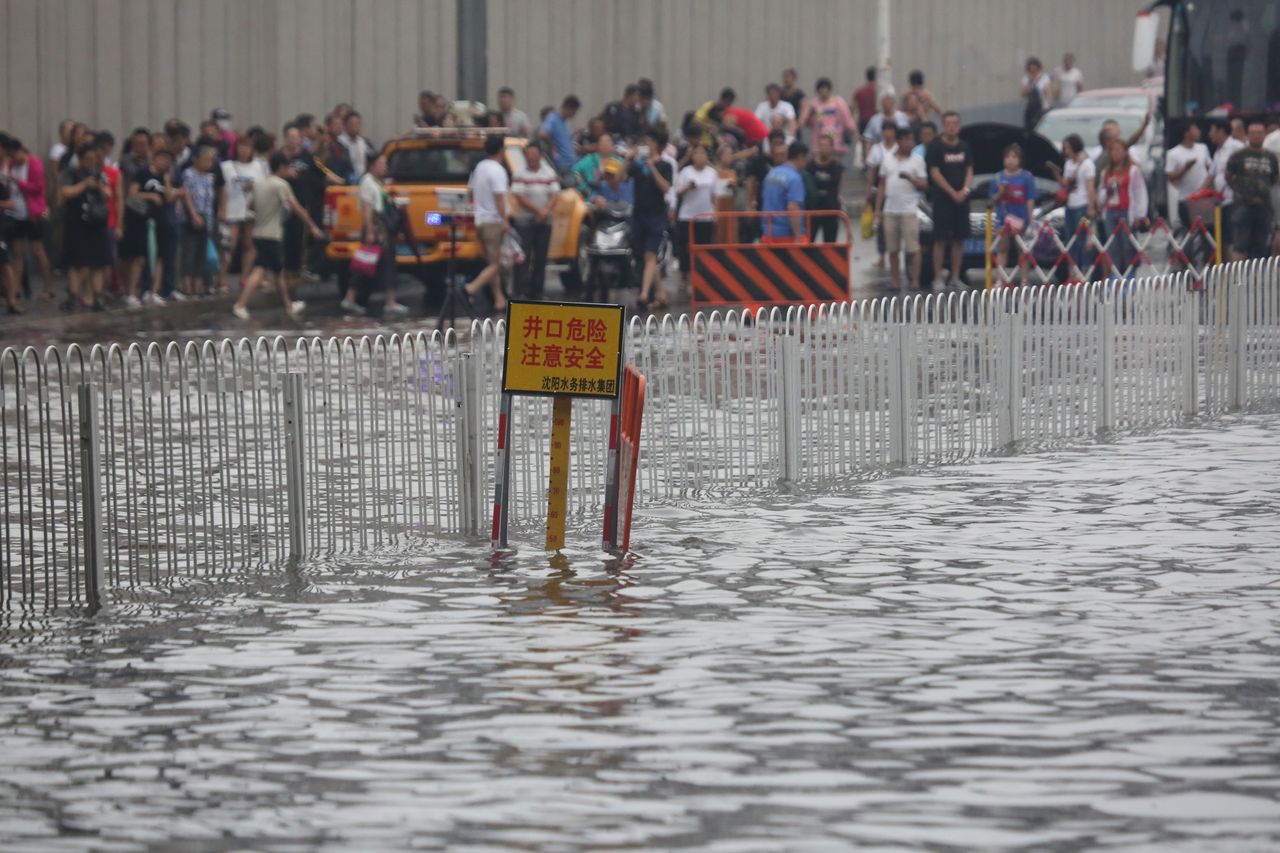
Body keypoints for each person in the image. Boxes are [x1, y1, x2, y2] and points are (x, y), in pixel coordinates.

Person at [232, 151, 324, 319]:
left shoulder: (259, 183)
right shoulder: (280, 185)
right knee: (260, 270)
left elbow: (251, 205)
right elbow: (297, 208)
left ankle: (289, 305)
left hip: (258, 232)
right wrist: (312, 227)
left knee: (278, 271)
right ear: (281, 167)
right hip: (271, 235)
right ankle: (240, 304)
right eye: (287, 167)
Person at [340, 152, 408, 317]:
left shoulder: (377, 183)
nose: (385, 166)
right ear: (372, 165)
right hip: (376, 230)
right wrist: (370, 231)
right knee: (368, 264)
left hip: (380, 229)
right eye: (381, 163)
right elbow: (368, 208)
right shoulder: (368, 183)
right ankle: (383, 301)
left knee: (377, 264)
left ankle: (357, 299)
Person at [460, 134, 511, 312]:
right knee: (496, 264)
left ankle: (499, 299)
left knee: (491, 261)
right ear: (501, 150)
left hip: (479, 220)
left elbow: (470, 192)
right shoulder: (498, 170)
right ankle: (471, 288)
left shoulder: (479, 168)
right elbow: (499, 198)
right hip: (493, 221)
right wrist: (505, 220)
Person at [59, 143, 112, 311]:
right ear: (80, 159)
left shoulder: (99, 174)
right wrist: (84, 185)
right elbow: (65, 192)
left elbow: (108, 194)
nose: (90, 162)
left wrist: (100, 186)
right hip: (77, 223)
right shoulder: (71, 173)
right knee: (77, 263)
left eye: (93, 159)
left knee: (97, 263)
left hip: (96, 223)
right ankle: (73, 297)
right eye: (87, 159)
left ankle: (98, 297)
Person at [876, 127, 929, 291]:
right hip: (890, 209)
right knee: (892, 249)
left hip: (909, 209)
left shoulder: (917, 160)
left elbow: (924, 184)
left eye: (912, 140)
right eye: (907, 140)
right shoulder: (887, 159)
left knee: (913, 247)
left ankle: (915, 280)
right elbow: (882, 185)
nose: (910, 143)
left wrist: (911, 178)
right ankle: (895, 280)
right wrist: (878, 209)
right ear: (899, 141)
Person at [2, 137, 54, 301]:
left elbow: (37, 188)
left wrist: (19, 182)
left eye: (16, 155)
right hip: (17, 213)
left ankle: (48, 287)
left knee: (38, 250)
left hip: (33, 212)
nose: (14, 159)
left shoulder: (34, 163)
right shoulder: (11, 165)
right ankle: (15, 289)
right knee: (18, 252)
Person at [926, 111, 974, 291]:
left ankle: (955, 276)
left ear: (959, 126)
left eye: (955, 124)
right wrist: (951, 192)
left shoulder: (965, 147)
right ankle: (938, 277)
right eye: (948, 124)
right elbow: (934, 172)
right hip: (942, 201)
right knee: (940, 240)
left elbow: (969, 169)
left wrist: (965, 190)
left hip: (962, 201)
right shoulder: (935, 147)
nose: (952, 127)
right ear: (943, 126)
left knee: (958, 239)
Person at [628, 128, 673, 310]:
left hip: (656, 215)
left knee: (650, 255)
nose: (646, 147)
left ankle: (644, 294)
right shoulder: (637, 166)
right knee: (645, 257)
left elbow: (665, 187)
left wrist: (652, 166)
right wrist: (628, 159)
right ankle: (661, 293)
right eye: (643, 144)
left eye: (649, 143)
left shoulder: (665, 165)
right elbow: (619, 178)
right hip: (638, 215)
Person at [1225, 122, 1280, 262]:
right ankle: (1236, 279)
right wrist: (1239, 190)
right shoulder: (1239, 155)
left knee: (1260, 246)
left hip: (1264, 206)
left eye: (1260, 133)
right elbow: (1228, 175)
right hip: (1243, 205)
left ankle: (1257, 280)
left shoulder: (1270, 157)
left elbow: (1275, 178)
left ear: (1264, 135)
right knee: (1240, 245)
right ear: (1248, 135)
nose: (1257, 136)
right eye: (1253, 133)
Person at [511, 142, 559, 300]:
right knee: (523, 257)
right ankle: (521, 292)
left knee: (541, 258)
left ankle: (537, 292)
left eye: (534, 154)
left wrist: (545, 211)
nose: (531, 157)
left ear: (540, 155)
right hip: (525, 222)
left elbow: (554, 194)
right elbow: (519, 196)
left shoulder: (549, 173)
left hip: (545, 221)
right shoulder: (520, 173)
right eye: (528, 154)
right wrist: (538, 210)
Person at [1097, 138, 1150, 279]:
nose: (1115, 153)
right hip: (1110, 211)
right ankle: (1115, 276)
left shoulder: (1133, 171)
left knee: (1127, 246)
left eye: (1118, 150)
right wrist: (1108, 189)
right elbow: (1101, 194)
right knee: (1113, 246)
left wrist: (1140, 214)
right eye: (1112, 150)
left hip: (1127, 211)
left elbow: (1140, 192)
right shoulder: (1106, 172)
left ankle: (1129, 275)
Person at [220, 135, 264, 289]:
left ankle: (245, 278)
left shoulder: (258, 166)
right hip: (232, 209)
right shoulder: (227, 166)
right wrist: (222, 209)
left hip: (250, 209)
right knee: (229, 245)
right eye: (241, 146)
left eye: (247, 146)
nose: (244, 150)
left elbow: (263, 186)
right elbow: (222, 188)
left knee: (249, 244)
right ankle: (221, 279)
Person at [990, 144, 1040, 275]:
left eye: (1014, 157)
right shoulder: (997, 177)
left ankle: (1024, 280)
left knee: (1023, 250)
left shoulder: (1027, 177)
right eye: (1007, 157)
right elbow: (993, 200)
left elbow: (1030, 199)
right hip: (1003, 220)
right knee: (1002, 249)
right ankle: (1001, 279)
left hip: (1021, 218)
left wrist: (1030, 220)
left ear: (1020, 160)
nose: (1010, 160)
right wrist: (1001, 193)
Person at [675, 142, 717, 290]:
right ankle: (684, 276)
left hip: (706, 216)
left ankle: (701, 278)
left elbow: (714, 195)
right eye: (696, 153)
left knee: (703, 248)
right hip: (688, 216)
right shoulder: (686, 172)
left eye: (702, 153)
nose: (700, 156)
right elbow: (678, 192)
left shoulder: (712, 173)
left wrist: (715, 213)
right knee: (686, 248)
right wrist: (688, 187)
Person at [178, 143, 217, 299]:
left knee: (201, 252)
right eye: (205, 159)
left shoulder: (209, 177)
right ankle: (187, 284)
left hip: (206, 217)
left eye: (210, 160)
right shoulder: (188, 174)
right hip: (191, 216)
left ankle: (198, 282)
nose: (209, 163)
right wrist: (194, 215)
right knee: (189, 251)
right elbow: (187, 195)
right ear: (196, 159)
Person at [1055, 134, 1097, 278]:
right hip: (1070, 206)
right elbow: (1065, 183)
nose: (1066, 151)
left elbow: (1090, 187)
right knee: (1070, 239)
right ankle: (1072, 271)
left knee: (1083, 240)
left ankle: (1085, 270)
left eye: (1067, 148)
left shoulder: (1088, 164)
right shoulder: (1068, 164)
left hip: (1083, 206)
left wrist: (1091, 207)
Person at [1204, 121, 1244, 250]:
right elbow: (1211, 176)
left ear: (1220, 131)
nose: (1210, 134)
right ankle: (1225, 269)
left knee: (1234, 240)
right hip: (1221, 202)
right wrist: (1198, 194)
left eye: (1212, 130)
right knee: (1224, 239)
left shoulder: (1237, 147)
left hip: (1235, 200)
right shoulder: (1218, 151)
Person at [866, 122, 901, 267]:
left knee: (895, 224)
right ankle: (882, 255)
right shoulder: (876, 149)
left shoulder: (899, 148)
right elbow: (872, 171)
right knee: (880, 224)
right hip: (879, 191)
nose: (888, 133)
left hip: (896, 191)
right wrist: (868, 192)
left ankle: (896, 253)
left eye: (890, 130)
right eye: (885, 130)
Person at [1165, 123, 1211, 231]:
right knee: (1190, 230)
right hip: (1186, 199)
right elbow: (1170, 176)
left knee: (1207, 231)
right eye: (1195, 129)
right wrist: (1185, 169)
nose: (1198, 132)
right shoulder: (1173, 153)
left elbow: (1210, 168)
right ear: (1186, 133)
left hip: (1203, 199)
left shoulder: (1203, 148)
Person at [798, 78, 856, 159]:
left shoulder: (838, 102)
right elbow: (803, 122)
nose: (824, 93)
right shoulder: (813, 104)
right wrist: (809, 113)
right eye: (821, 90)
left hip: (836, 141)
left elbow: (847, 118)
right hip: (819, 141)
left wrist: (853, 130)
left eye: (826, 90)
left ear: (830, 90)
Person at [762, 141, 808, 240]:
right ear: (800, 157)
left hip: (768, 231)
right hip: (786, 235)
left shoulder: (771, 174)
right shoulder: (794, 178)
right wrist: (798, 236)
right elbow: (793, 207)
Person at [806, 134, 845, 243]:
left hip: (830, 209)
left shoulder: (836, 165)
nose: (823, 148)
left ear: (832, 147)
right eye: (821, 145)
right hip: (813, 210)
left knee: (830, 243)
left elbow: (838, 185)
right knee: (809, 241)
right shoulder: (810, 165)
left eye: (826, 146)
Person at [540, 95, 580, 175]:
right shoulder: (553, 118)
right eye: (574, 111)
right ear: (568, 108)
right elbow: (543, 134)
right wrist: (552, 145)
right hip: (561, 164)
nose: (574, 114)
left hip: (571, 162)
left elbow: (562, 139)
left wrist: (573, 135)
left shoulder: (565, 121)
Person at [571, 133, 617, 200]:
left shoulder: (619, 161)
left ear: (613, 145)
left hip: (613, 198)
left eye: (608, 141)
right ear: (598, 146)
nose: (605, 144)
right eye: (602, 142)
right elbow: (575, 171)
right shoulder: (590, 159)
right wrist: (583, 187)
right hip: (593, 197)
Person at [338, 111, 375, 179]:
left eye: (358, 124)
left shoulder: (365, 142)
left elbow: (373, 159)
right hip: (345, 181)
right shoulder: (339, 143)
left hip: (363, 181)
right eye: (352, 124)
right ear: (345, 126)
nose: (355, 127)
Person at [1021, 57, 1051, 131]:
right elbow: (1023, 93)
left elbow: (1048, 92)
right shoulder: (1026, 78)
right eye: (1031, 70)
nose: (1033, 72)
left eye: (1034, 69)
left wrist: (1046, 105)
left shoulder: (1044, 78)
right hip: (1029, 108)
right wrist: (1030, 81)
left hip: (1041, 107)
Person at [853, 68, 878, 137]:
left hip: (863, 122)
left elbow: (852, 109)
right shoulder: (879, 91)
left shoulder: (859, 91)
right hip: (877, 122)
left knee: (865, 144)